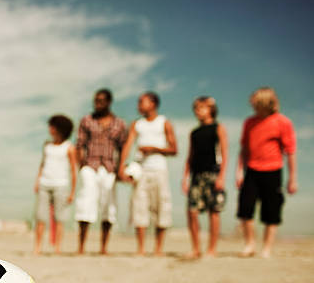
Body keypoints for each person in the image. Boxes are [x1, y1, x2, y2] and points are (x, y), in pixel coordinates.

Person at [236, 87, 297, 258]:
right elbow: (244, 149)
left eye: (255, 102)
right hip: (252, 170)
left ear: (264, 102)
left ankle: (267, 248)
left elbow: (290, 151)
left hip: (273, 170)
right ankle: (250, 244)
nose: (252, 105)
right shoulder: (249, 122)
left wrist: (292, 178)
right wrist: (239, 171)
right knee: (245, 208)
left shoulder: (282, 122)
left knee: (271, 210)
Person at [118, 91, 177, 256]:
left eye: (141, 102)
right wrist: (122, 167)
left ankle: (158, 249)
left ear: (152, 103)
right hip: (141, 171)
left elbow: (174, 149)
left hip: (159, 169)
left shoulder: (164, 122)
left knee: (161, 207)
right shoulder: (137, 124)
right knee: (139, 207)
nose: (138, 106)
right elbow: (128, 145)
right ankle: (141, 248)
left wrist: (153, 149)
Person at [74, 88, 128, 254]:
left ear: (109, 102)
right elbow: (79, 144)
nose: (97, 104)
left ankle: (103, 247)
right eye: (96, 100)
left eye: (101, 101)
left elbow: (123, 146)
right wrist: (81, 165)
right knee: (85, 204)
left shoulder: (119, 123)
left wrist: (120, 168)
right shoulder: (87, 120)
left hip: (109, 168)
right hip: (90, 166)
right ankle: (81, 247)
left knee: (108, 206)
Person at [181, 97, 228, 259]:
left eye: (201, 107)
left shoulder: (218, 128)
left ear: (211, 109)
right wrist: (185, 177)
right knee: (192, 211)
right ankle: (196, 248)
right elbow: (190, 156)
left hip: (213, 173)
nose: (198, 111)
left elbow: (224, 153)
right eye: (196, 108)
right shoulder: (194, 132)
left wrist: (221, 176)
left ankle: (212, 249)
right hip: (196, 175)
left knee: (213, 211)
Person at [33, 115, 78, 254]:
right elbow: (42, 164)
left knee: (60, 218)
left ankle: (57, 248)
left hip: (61, 185)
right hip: (44, 184)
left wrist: (72, 191)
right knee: (40, 216)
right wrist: (37, 180)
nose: (49, 129)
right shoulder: (47, 146)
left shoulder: (69, 147)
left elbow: (73, 170)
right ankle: (38, 247)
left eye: (52, 126)